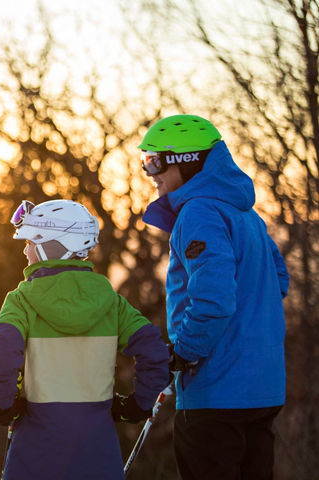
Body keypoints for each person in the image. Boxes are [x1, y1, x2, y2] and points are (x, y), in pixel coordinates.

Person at [138, 114, 289, 479]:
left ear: (187, 161)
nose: (149, 172)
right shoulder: (246, 216)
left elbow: (213, 299)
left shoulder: (199, 212)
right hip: (263, 391)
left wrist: (184, 351)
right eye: (145, 162)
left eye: (154, 161)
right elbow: (279, 280)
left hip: (217, 392)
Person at [0, 199, 170, 480]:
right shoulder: (112, 302)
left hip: (34, 455)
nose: (25, 250)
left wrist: (4, 406)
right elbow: (154, 351)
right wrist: (138, 405)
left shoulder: (20, 301)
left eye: (30, 242)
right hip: (98, 455)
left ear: (49, 247)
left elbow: (0, 360)